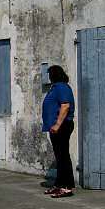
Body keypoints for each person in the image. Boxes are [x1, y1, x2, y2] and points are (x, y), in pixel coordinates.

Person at [43, 65, 77, 198]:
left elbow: (65, 105)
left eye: (50, 74)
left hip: (62, 126)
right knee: (59, 156)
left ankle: (66, 186)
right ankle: (59, 184)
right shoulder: (56, 87)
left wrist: (57, 124)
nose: (49, 77)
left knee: (63, 156)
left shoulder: (62, 87)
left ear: (55, 75)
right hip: (56, 127)